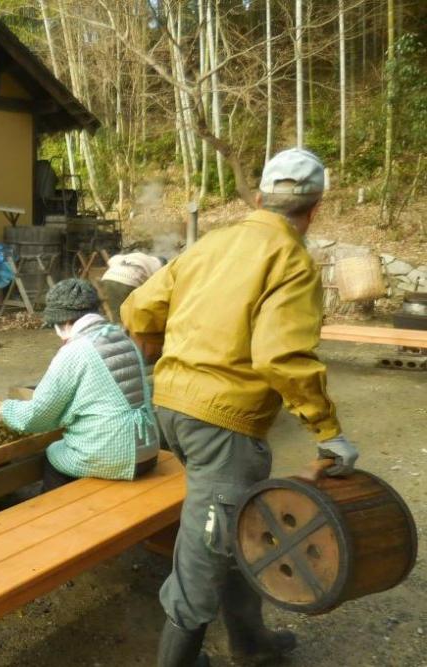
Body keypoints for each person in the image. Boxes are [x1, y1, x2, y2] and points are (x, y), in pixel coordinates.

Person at [121, 148, 359, 667]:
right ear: (315, 209)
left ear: (258, 198)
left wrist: (159, 351)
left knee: (235, 525)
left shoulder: (214, 242)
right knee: (205, 549)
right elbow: (282, 355)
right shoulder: (292, 260)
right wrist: (327, 430)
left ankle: (250, 642)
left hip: (173, 410)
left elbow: (138, 305)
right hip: (223, 425)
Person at [0, 278, 160, 489]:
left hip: (116, 456)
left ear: (64, 322)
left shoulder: (75, 351)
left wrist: (5, 410)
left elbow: (37, 416)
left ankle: (55, 514)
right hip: (147, 450)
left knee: (53, 453)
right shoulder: (121, 338)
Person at [100, 252, 168, 321]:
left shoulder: (137, 256)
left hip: (108, 278)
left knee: (116, 312)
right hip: (129, 282)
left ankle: (118, 329)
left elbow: (111, 261)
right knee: (134, 315)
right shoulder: (158, 267)